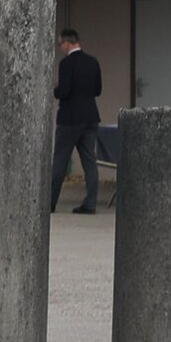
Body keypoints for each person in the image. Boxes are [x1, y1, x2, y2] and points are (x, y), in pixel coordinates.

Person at [51, 29, 102, 214]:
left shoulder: (66, 64)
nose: (60, 48)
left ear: (67, 43)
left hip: (70, 118)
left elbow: (64, 91)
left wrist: (55, 89)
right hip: (90, 116)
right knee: (89, 161)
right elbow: (98, 90)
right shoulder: (93, 62)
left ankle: (50, 202)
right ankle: (90, 203)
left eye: (60, 44)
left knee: (60, 160)